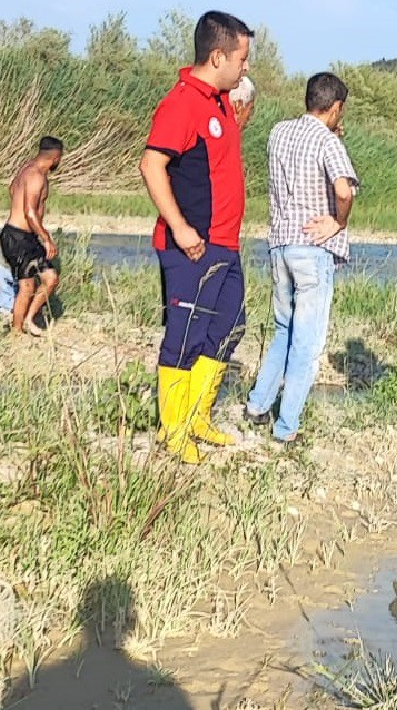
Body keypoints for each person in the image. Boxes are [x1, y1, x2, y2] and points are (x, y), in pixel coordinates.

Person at [139, 11, 256, 464]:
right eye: (242, 59)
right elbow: (152, 165)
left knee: (229, 328)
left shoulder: (222, 102)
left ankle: (198, 417)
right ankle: (173, 432)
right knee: (185, 336)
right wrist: (181, 228)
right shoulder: (182, 103)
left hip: (226, 242)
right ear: (217, 55)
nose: (246, 67)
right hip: (193, 244)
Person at [244, 71, 359, 445]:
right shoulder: (327, 141)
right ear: (337, 107)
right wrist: (338, 224)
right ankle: (287, 426)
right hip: (312, 248)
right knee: (307, 342)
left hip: (280, 242)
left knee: (283, 329)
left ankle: (257, 405)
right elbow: (344, 189)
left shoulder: (279, 131)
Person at [0, 136, 64, 337]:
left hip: (25, 237)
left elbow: (12, 190)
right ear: (55, 157)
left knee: (51, 278)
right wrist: (45, 237)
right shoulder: (36, 175)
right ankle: (16, 331)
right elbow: (29, 212)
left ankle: (28, 319)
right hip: (17, 237)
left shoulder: (27, 169)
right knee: (27, 286)